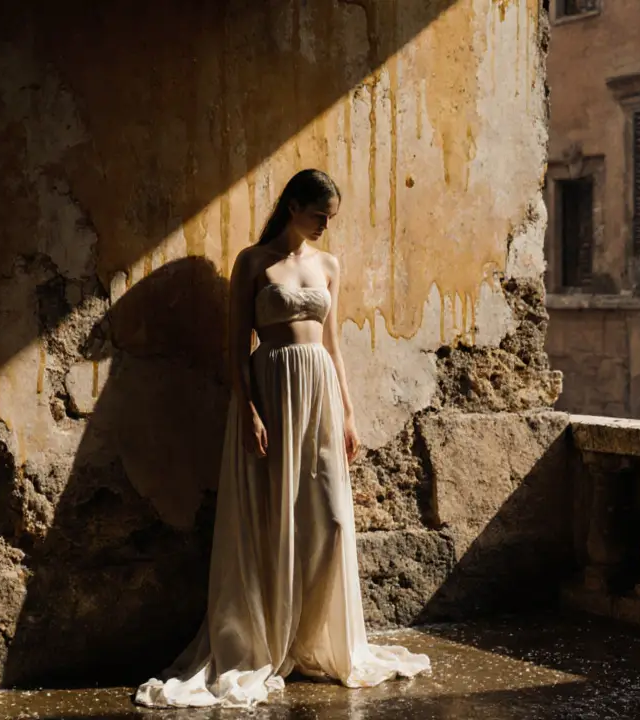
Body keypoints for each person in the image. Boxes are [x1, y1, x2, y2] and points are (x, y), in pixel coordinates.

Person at [134, 169, 431, 708]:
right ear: (294, 206)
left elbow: (334, 346)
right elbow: (234, 346)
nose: (324, 225)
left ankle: (312, 640)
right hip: (269, 389)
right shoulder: (252, 262)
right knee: (269, 520)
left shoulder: (329, 266)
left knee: (334, 521)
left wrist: (348, 413)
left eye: (330, 218)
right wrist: (247, 409)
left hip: (318, 392)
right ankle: (266, 642)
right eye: (319, 214)